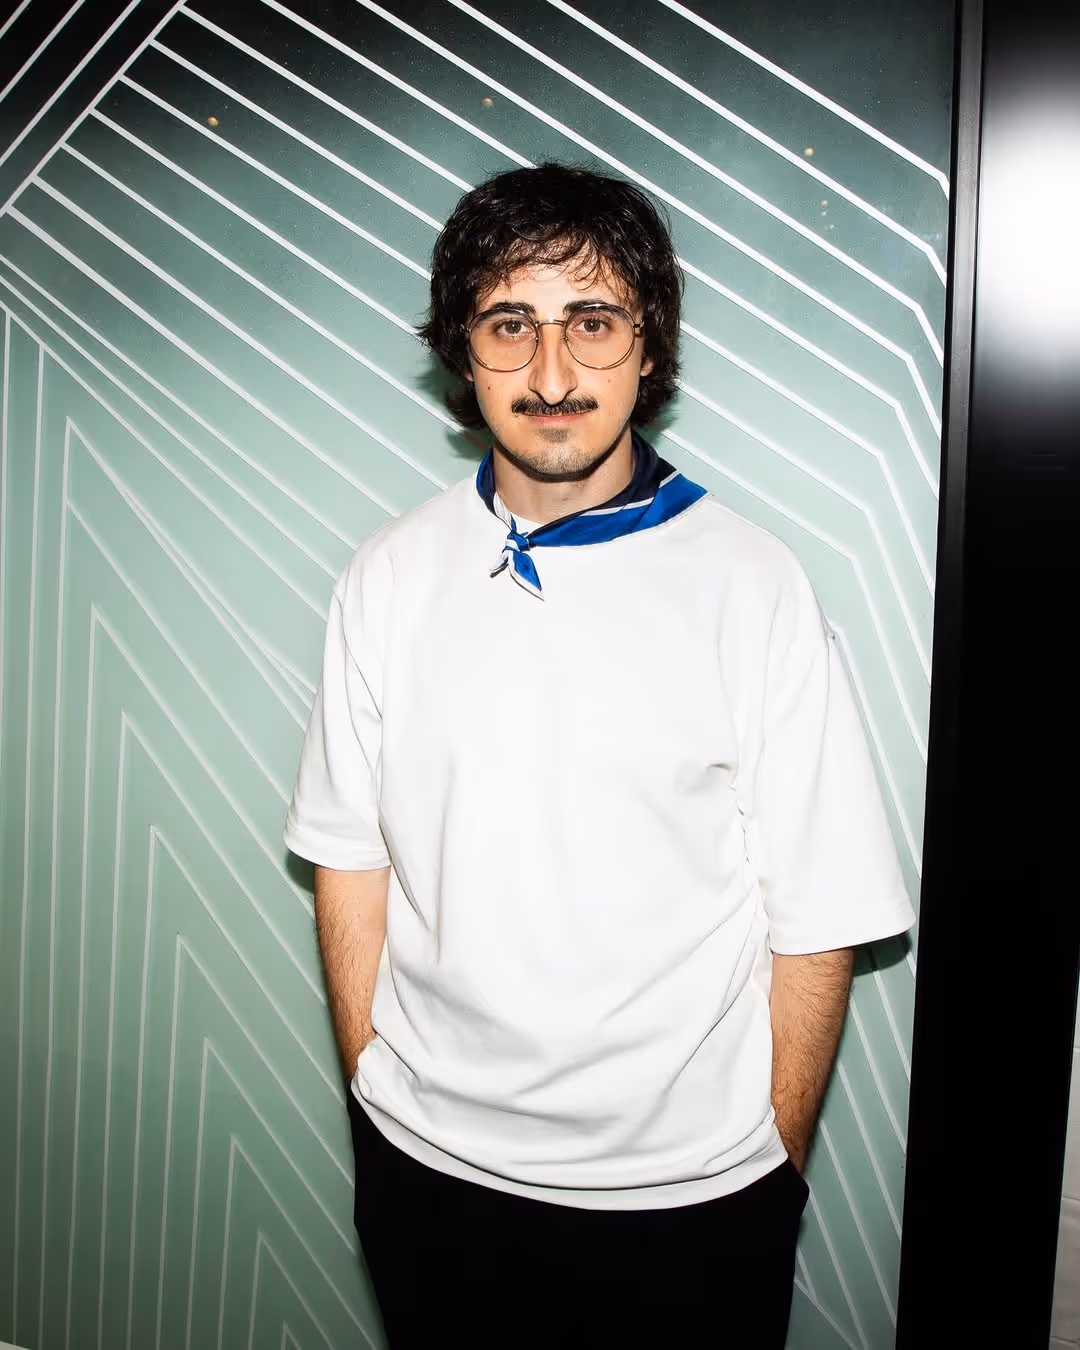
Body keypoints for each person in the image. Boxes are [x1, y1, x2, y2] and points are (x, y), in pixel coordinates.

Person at [283, 162, 915, 1349]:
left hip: (687, 1206)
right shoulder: (390, 572)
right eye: (510, 324)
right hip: (428, 1176)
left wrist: (768, 1159)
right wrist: (374, 1091)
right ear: (463, 351)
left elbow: (819, 916)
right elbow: (348, 855)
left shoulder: (751, 584)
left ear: (647, 347)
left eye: (594, 321)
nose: (555, 373)